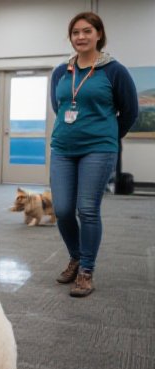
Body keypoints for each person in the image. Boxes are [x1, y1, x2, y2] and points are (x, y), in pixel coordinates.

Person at [49, 12, 138, 297]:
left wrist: (108, 136)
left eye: (87, 31)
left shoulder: (115, 70)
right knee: (62, 210)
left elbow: (130, 111)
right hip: (63, 148)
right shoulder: (61, 71)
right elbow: (59, 106)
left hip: (98, 149)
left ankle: (86, 270)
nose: (81, 37)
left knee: (87, 209)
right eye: (75, 32)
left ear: (99, 34)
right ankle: (76, 256)